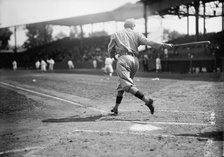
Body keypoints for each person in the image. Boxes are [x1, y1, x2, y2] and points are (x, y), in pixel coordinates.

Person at [107, 18, 172, 115]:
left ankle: (147, 100)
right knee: (122, 85)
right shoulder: (137, 34)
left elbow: (110, 49)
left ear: (124, 25)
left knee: (127, 85)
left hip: (123, 58)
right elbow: (148, 42)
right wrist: (162, 45)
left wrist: (114, 57)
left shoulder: (115, 34)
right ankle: (116, 107)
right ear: (132, 26)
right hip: (135, 61)